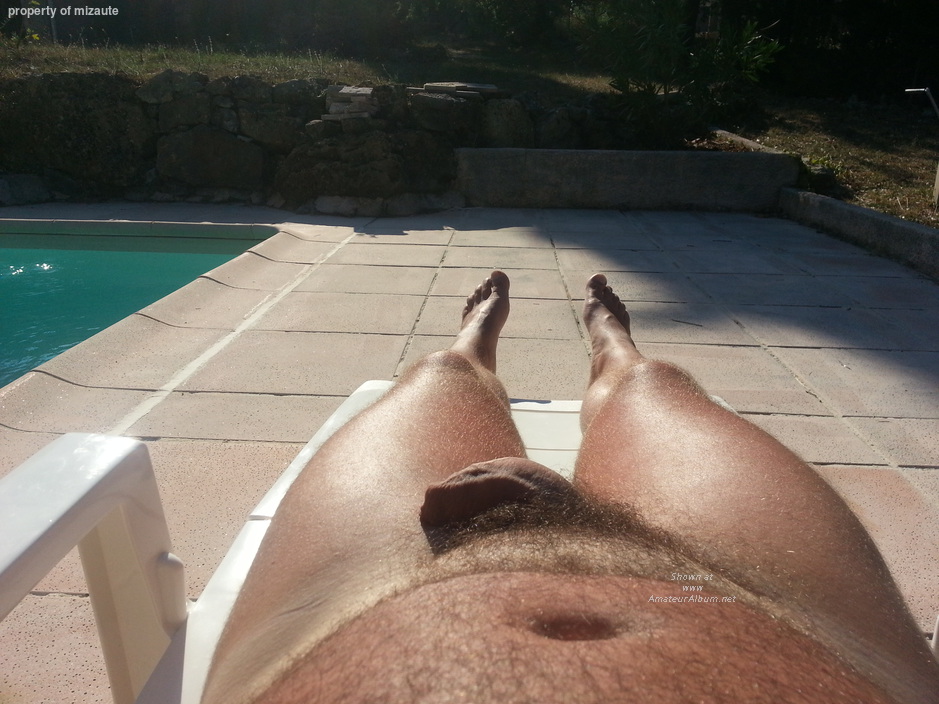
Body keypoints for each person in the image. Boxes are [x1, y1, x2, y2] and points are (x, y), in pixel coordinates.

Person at [202, 271, 939, 704]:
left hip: (375, 593)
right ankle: (580, 352)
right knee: (654, 390)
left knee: (438, 377)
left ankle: (537, 348)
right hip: (707, 589)